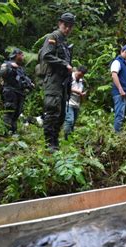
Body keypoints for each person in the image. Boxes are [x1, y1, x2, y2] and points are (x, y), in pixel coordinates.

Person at [40, 12, 75, 150]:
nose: (67, 29)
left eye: (70, 26)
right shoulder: (52, 37)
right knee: (52, 112)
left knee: (61, 115)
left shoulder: (64, 43)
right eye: (65, 25)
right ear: (59, 24)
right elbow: (46, 55)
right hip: (53, 81)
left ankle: (55, 141)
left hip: (62, 83)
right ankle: (49, 143)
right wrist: (64, 64)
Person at [0, 48, 34, 134]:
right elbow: (2, 73)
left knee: (17, 113)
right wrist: (10, 67)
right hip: (10, 91)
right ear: (16, 55)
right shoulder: (6, 64)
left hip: (20, 93)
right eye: (21, 55)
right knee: (10, 111)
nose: (23, 57)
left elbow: (25, 78)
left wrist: (30, 83)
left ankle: (13, 132)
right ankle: (6, 132)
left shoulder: (20, 68)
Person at [111, 45, 126, 132]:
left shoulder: (125, 64)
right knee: (120, 115)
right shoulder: (117, 62)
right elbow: (114, 75)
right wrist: (120, 89)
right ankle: (117, 135)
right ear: (122, 51)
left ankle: (121, 136)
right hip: (120, 93)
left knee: (124, 116)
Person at [63, 66, 87, 139]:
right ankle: (66, 138)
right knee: (70, 120)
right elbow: (64, 87)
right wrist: (76, 91)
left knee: (73, 123)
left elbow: (82, 92)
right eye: (79, 75)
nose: (80, 77)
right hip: (69, 102)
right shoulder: (69, 78)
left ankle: (71, 138)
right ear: (77, 71)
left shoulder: (81, 81)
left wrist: (82, 95)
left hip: (77, 104)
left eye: (81, 76)